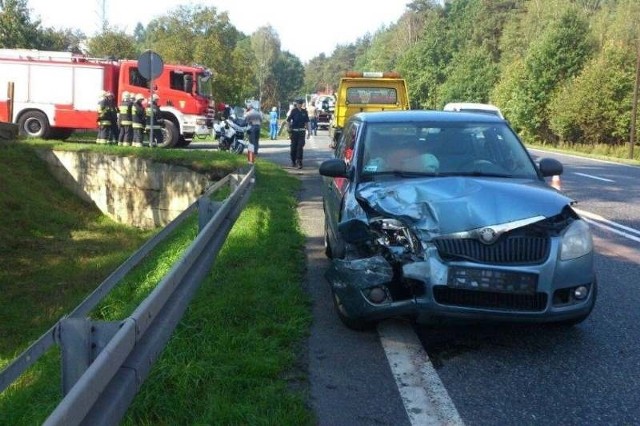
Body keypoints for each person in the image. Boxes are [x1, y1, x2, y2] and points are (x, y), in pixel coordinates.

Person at [286, 98, 309, 169]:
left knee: (300, 147)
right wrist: (288, 128)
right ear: (297, 104)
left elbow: (307, 122)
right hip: (294, 131)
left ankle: (299, 161)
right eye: (298, 104)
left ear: (302, 104)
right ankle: (293, 160)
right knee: (293, 148)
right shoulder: (294, 111)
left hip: (302, 131)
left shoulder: (304, 112)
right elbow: (288, 120)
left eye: (300, 104)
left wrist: (309, 132)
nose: (299, 105)